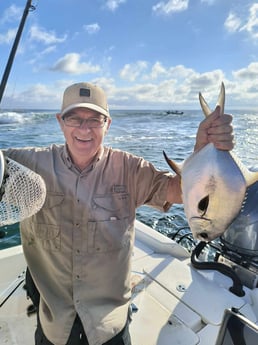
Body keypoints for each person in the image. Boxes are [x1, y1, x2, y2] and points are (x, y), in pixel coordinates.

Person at [4, 82, 234, 345]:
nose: (84, 128)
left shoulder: (130, 168)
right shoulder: (28, 164)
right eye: (74, 118)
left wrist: (202, 150)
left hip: (109, 324)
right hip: (54, 322)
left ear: (108, 124)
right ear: (60, 121)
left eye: (95, 119)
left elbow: (178, 192)